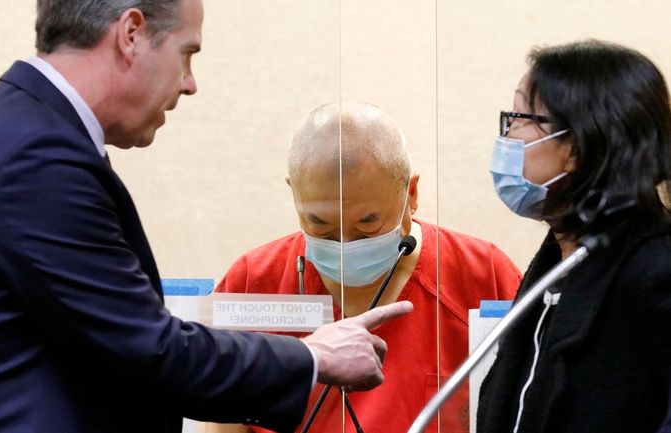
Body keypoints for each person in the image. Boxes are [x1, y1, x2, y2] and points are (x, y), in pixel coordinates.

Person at [0, 2, 414, 432]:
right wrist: (314, 357)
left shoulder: (18, 130)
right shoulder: (37, 157)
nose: (190, 84)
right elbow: (149, 353)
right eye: (187, 54)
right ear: (131, 34)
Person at [211, 102, 522, 433]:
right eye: (319, 223)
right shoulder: (252, 283)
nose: (345, 244)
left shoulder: (482, 274)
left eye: (368, 223)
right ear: (294, 195)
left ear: (411, 193)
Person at [477, 40, 671, 433]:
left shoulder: (657, 273)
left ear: (578, 147)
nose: (508, 135)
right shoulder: (560, 263)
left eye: (521, 117)